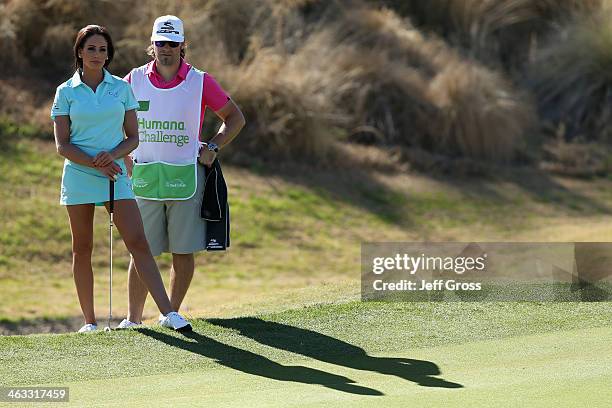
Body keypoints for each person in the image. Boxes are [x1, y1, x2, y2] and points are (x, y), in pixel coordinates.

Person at [51, 24, 192, 333]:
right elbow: (63, 145)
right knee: (82, 248)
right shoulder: (65, 92)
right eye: (91, 49)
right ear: (79, 52)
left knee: (139, 242)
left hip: (114, 174)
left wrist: (109, 157)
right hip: (79, 175)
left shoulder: (121, 88)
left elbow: (133, 138)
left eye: (103, 50)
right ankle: (89, 322)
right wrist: (95, 162)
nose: (97, 55)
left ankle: (168, 313)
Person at [118, 15, 245, 328]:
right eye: (161, 42)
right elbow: (111, 119)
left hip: (186, 177)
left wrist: (213, 147)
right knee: (140, 250)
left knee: (182, 250)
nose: (166, 49)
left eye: (173, 43)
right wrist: (124, 157)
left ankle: (169, 314)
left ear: (182, 46)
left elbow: (234, 117)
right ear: (152, 44)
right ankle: (133, 319)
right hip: (145, 177)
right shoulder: (133, 80)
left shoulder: (200, 81)